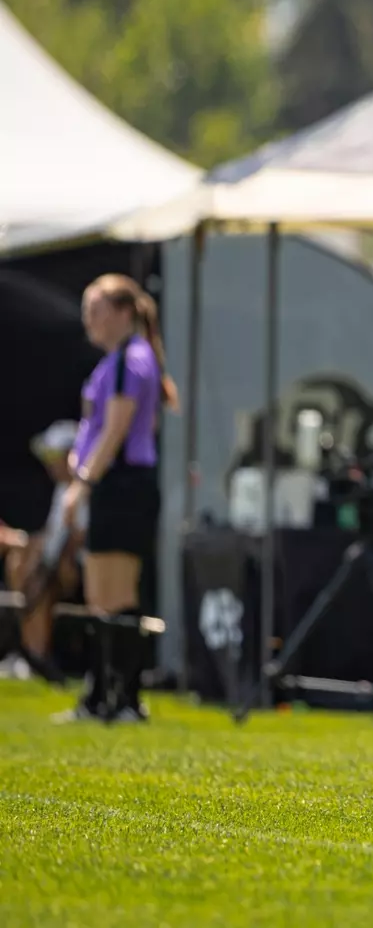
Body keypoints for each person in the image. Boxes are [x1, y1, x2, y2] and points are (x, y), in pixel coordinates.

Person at [56, 274, 175, 722]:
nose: (90, 319)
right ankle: (100, 694)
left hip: (124, 485)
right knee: (98, 596)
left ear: (124, 312)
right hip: (110, 483)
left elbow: (117, 428)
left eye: (98, 309)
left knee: (118, 593)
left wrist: (82, 482)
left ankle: (125, 697)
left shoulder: (133, 359)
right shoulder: (113, 362)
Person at [1, 421, 82, 682]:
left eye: (54, 456)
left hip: (75, 569)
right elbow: (49, 536)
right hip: (52, 565)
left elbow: (76, 541)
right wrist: (21, 543)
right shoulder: (61, 490)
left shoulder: (83, 490)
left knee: (31, 575)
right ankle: (30, 655)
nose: (49, 463)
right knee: (19, 563)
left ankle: (35, 656)